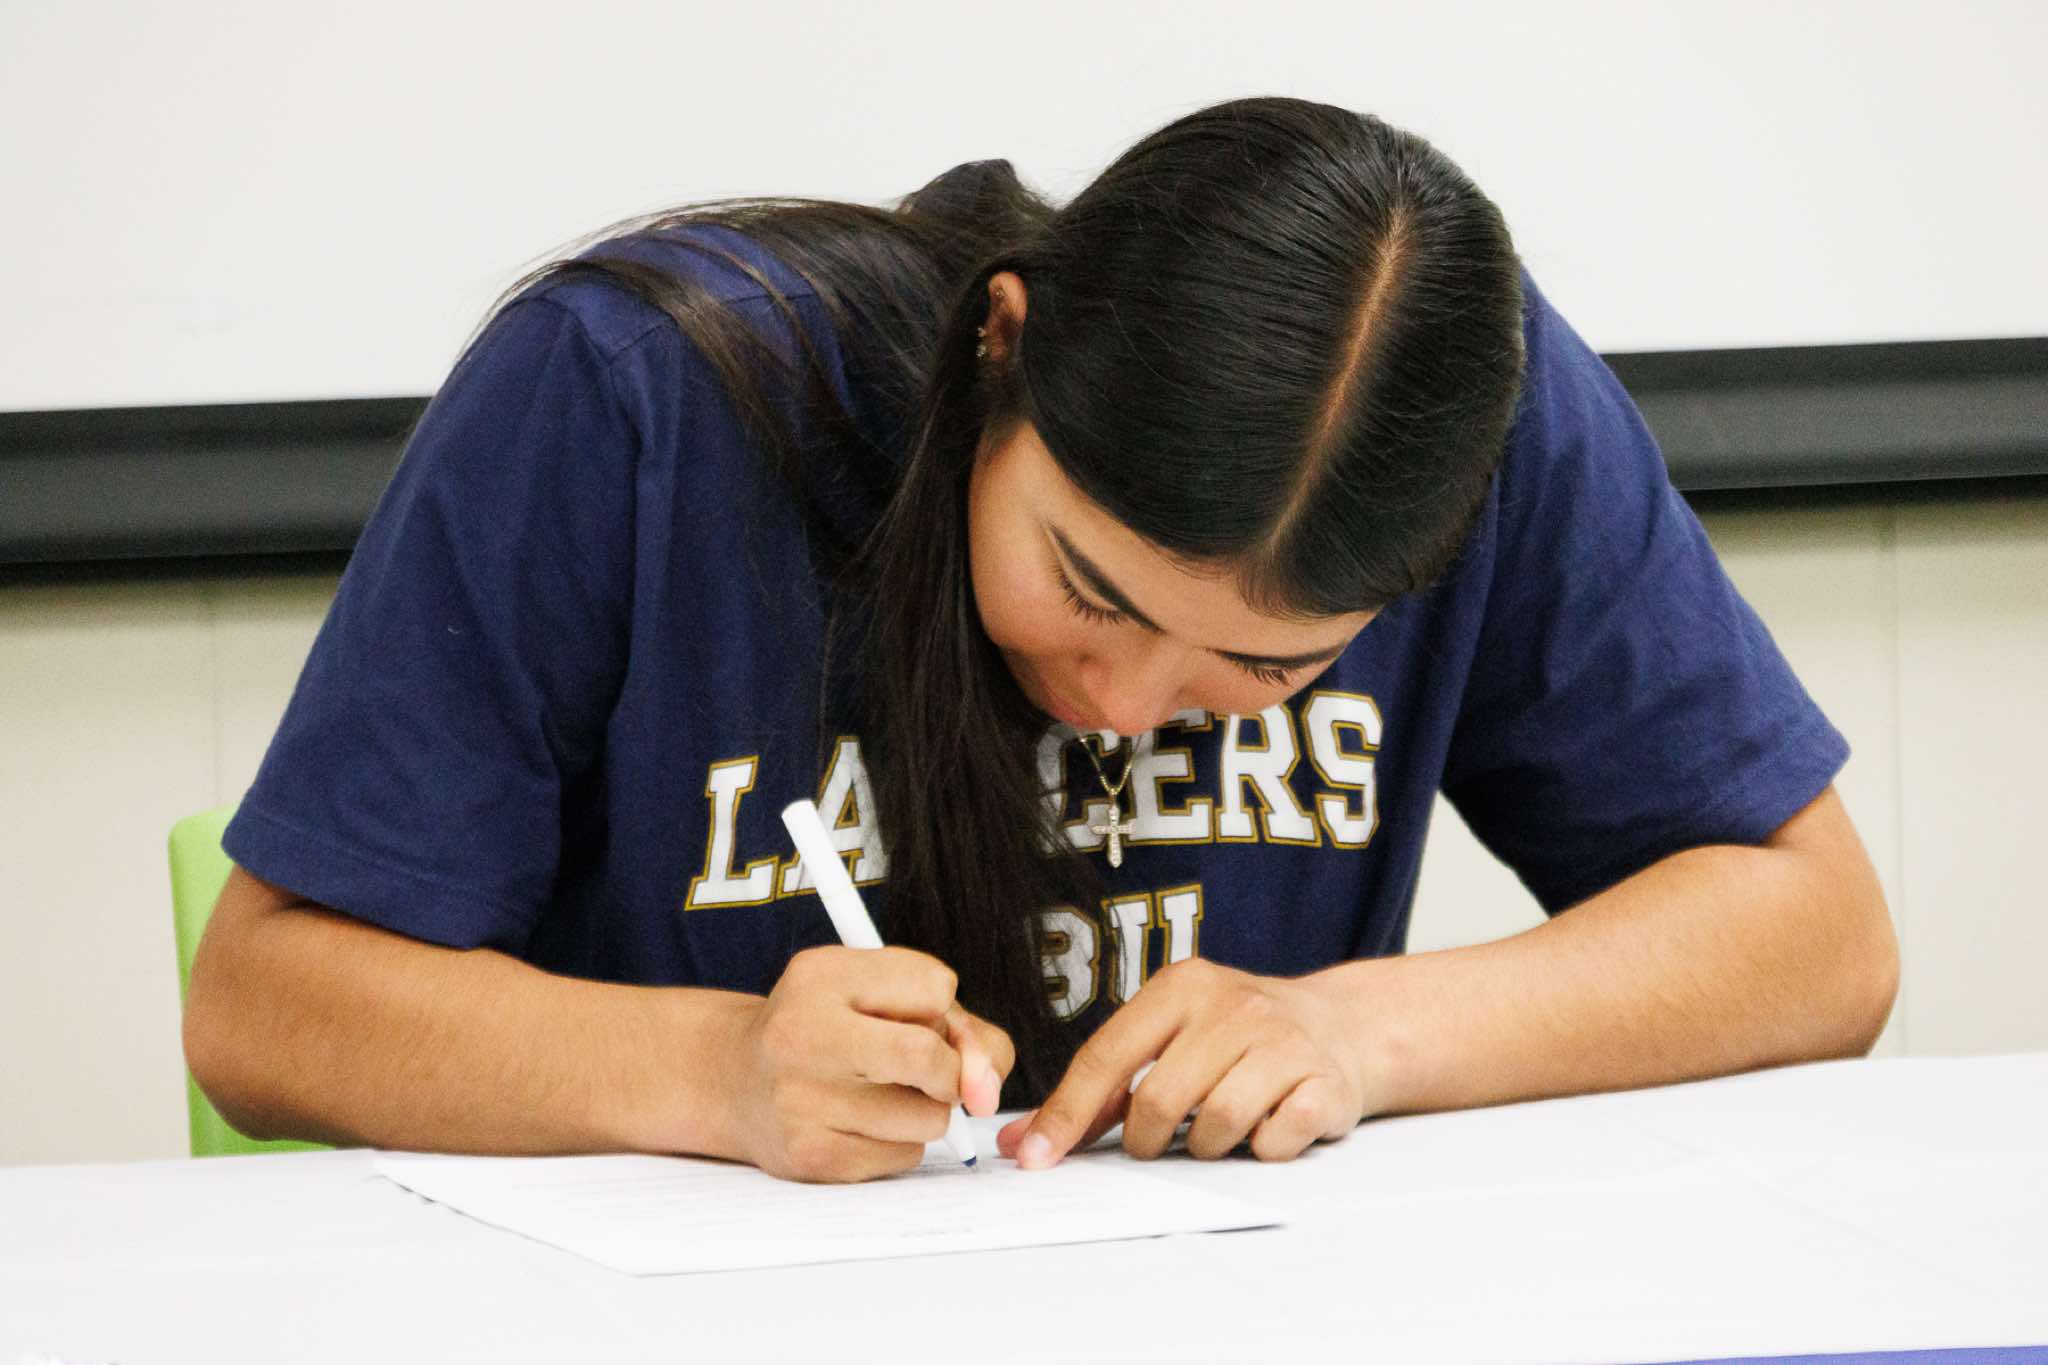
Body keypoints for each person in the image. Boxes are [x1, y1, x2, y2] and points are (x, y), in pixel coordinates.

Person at [184, 97, 1898, 1184]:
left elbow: (1820, 933)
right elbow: (265, 1005)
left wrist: (1361, 1032)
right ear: (1002, 346)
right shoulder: (645, 401)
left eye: (1266, 671)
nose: (1127, 705)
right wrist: (714, 1073)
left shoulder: (1477, 422)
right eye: (1090, 588)